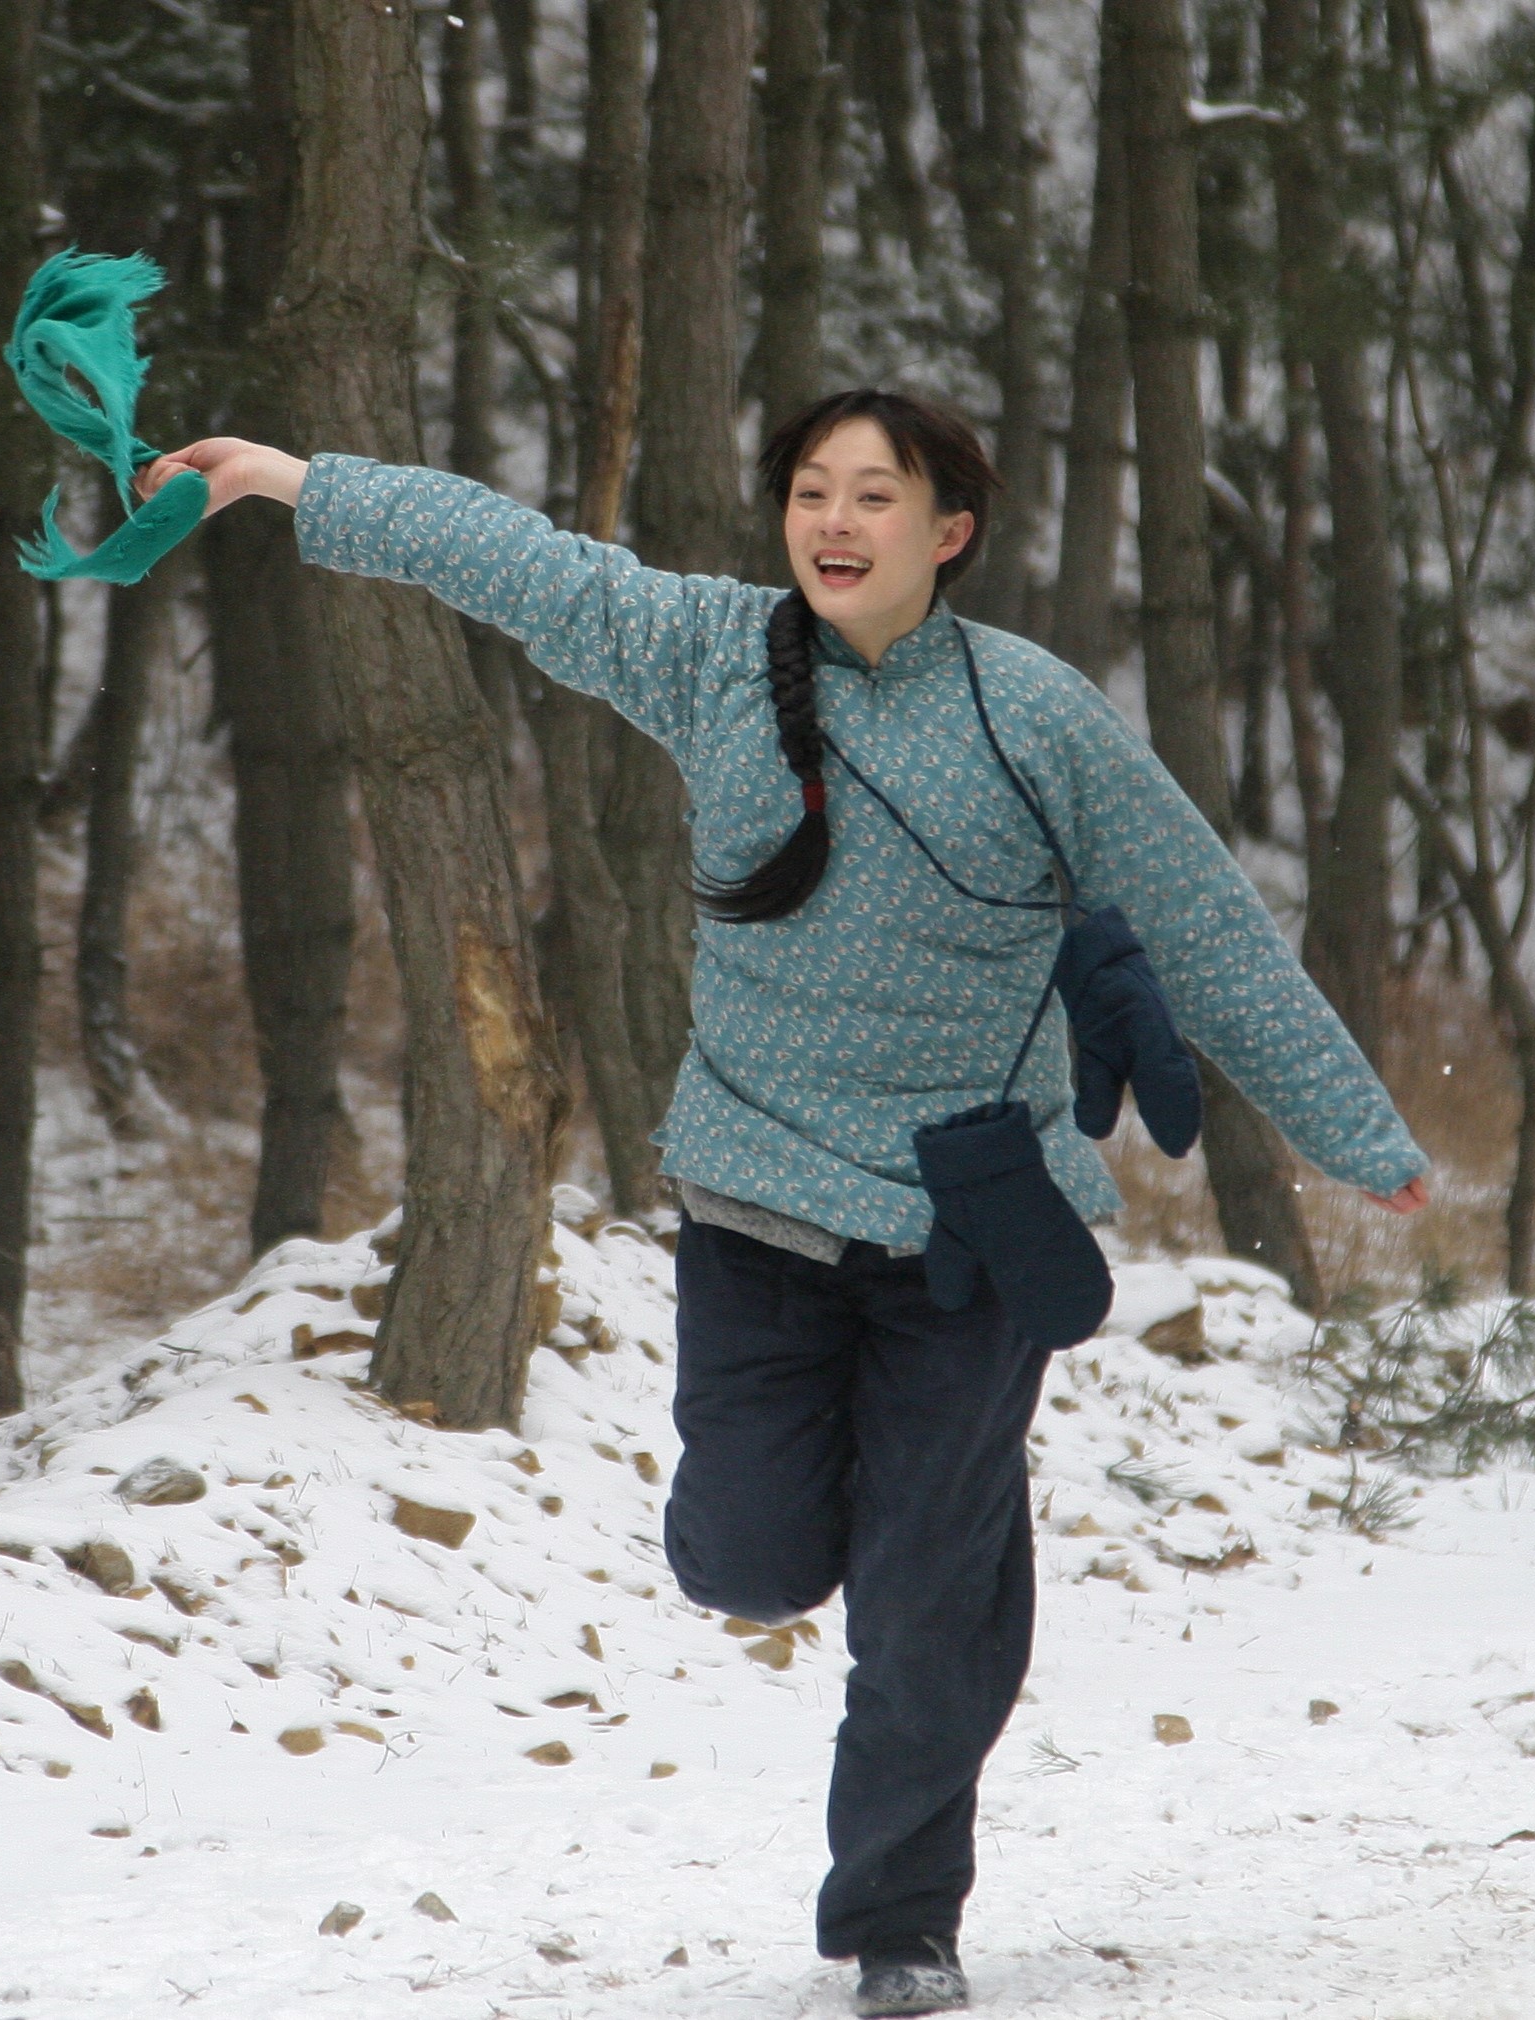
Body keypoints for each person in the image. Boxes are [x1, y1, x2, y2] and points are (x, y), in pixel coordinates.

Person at [141, 390, 1427, 2019]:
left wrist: (1358, 1135)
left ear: (946, 532)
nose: (834, 519)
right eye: (811, 490)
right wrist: (297, 483)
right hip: (756, 1201)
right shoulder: (710, 653)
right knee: (746, 1562)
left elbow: (1208, 928)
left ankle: (901, 1922)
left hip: (968, 1225)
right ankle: (938, 1546)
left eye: (872, 495)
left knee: (919, 1598)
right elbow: (520, 564)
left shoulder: (1039, 719)